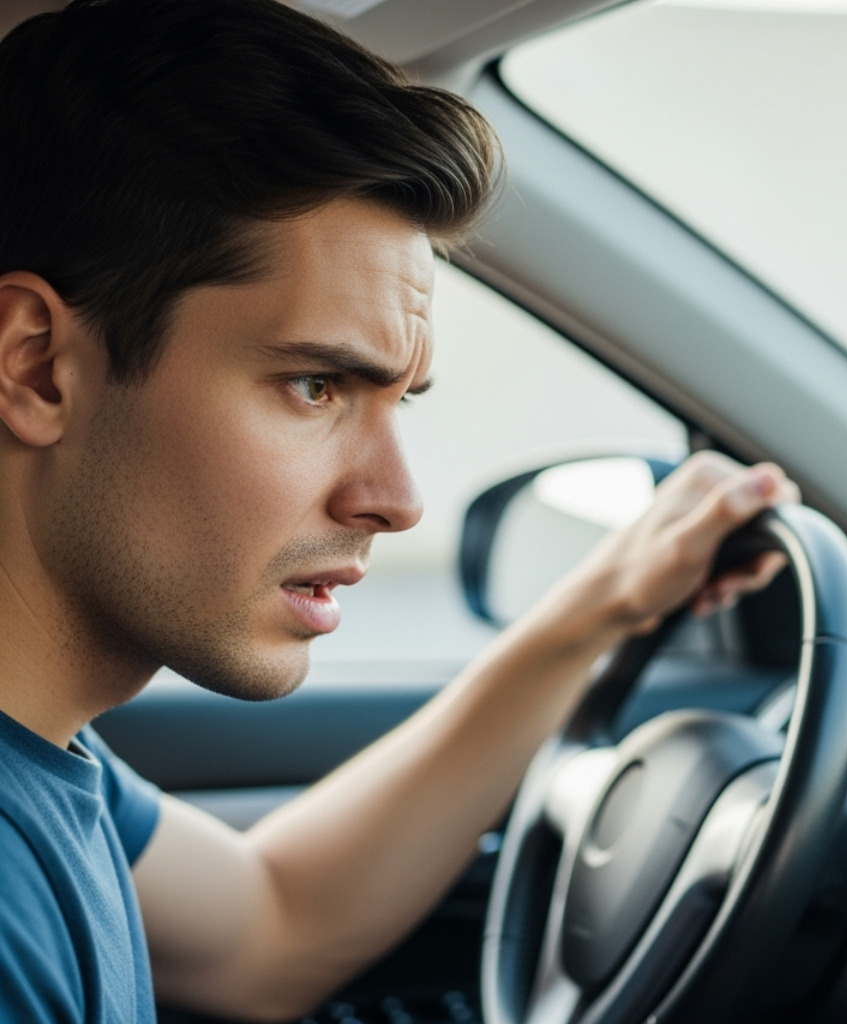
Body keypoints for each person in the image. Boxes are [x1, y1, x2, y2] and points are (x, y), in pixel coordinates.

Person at [0, 1, 799, 1020]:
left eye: (399, 400)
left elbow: (271, 924)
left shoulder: (46, 754)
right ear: (39, 365)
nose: (399, 501)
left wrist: (602, 605)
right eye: (317, 387)